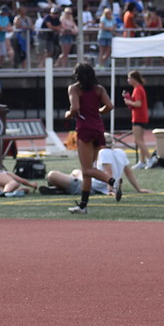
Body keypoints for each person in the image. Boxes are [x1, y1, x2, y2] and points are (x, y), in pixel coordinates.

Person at [65, 62, 117, 214]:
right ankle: (83, 205)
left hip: (85, 129)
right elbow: (110, 106)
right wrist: (99, 111)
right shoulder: (99, 89)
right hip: (98, 128)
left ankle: (112, 182)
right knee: (88, 171)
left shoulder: (74, 88)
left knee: (87, 169)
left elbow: (75, 108)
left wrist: (68, 114)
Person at [45, 133, 150, 198]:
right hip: (95, 184)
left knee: (52, 175)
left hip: (93, 187)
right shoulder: (120, 152)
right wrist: (138, 189)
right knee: (76, 171)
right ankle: (63, 186)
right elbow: (129, 173)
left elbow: (108, 172)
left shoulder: (103, 152)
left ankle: (61, 186)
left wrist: (110, 190)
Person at [121, 69, 152, 168]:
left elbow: (138, 104)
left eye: (130, 78)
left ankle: (150, 158)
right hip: (141, 116)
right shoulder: (138, 89)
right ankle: (142, 161)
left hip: (139, 117)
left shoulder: (138, 89)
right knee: (140, 140)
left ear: (135, 79)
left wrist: (128, 102)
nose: (128, 80)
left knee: (138, 140)